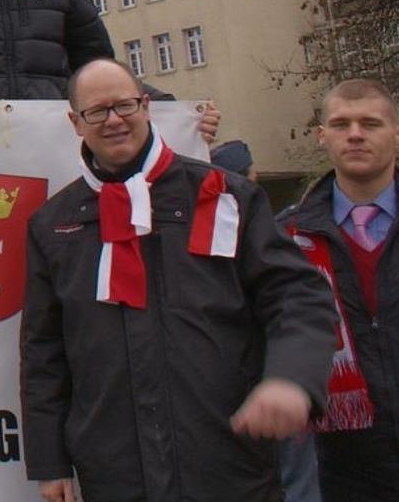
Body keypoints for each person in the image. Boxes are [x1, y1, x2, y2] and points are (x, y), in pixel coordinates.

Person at [20, 58, 336, 502]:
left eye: (124, 105)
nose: (114, 120)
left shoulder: (226, 196)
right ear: (76, 122)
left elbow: (299, 296)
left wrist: (292, 377)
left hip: (227, 462)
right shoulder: (52, 224)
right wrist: (50, 462)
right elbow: (43, 351)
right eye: (97, 111)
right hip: (114, 471)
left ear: (146, 105)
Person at [282, 78, 399, 501]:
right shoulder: (287, 237)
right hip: (343, 467)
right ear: (322, 136)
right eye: (341, 124)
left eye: (370, 123)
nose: (355, 134)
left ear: (396, 134)